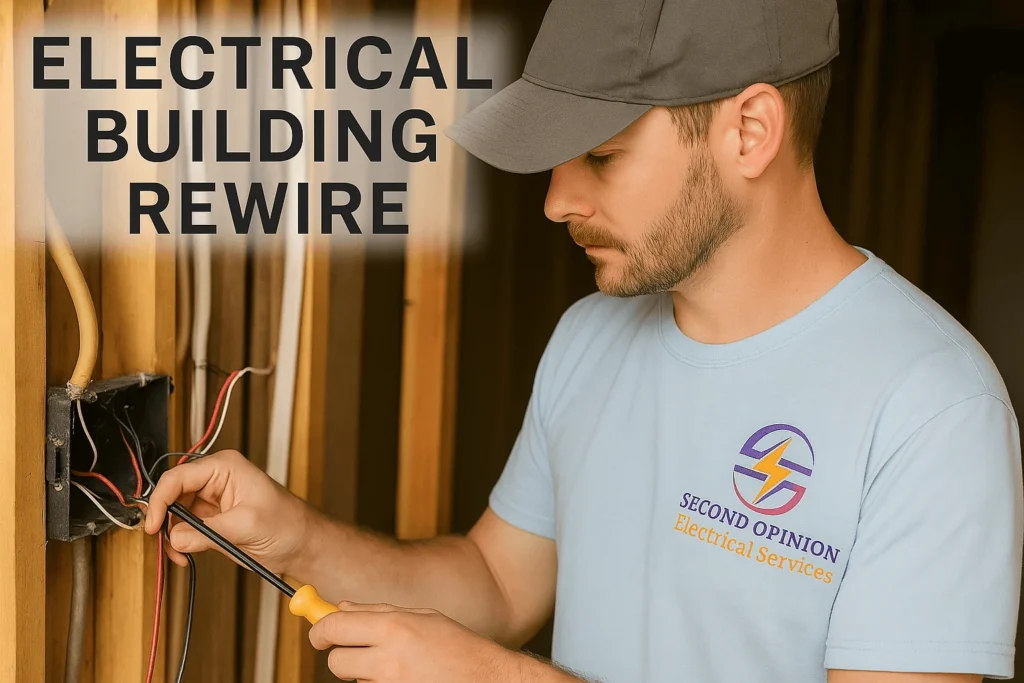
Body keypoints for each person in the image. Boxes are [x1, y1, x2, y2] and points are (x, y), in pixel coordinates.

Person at [145, 0, 1024, 681]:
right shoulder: (591, 338)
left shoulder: (933, 406)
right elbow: (494, 585)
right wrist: (292, 534)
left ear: (750, 131)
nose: (556, 200)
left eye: (601, 155)